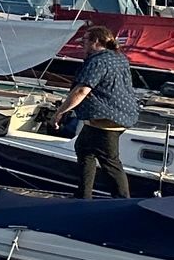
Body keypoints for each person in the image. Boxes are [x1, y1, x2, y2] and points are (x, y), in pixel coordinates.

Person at [57, 24, 138, 198]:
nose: (81, 45)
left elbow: (82, 91)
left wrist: (60, 112)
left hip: (107, 118)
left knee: (110, 162)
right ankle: (83, 195)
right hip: (119, 113)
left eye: (84, 41)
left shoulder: (97, 61)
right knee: (84, 147)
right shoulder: (118, 57)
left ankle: (122, 202)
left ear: (95, 41)